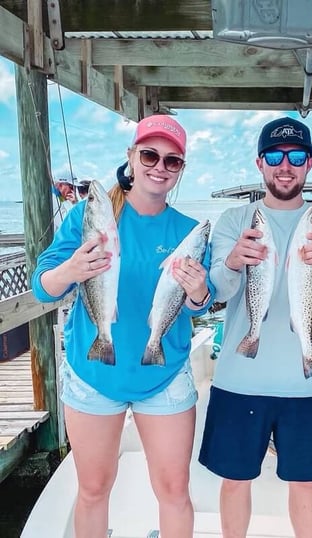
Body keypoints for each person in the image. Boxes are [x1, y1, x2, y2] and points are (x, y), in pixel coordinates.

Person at [32, 114, 215, 538]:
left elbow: (196, 306)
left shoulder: (189, 232)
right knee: (93, 490)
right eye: (150, 155)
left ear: (181, 170)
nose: (159, 167)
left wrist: (198, 291)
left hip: (164, 375)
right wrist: (72, 270)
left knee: (175, 491)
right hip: (93, 374)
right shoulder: (89, 216)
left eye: (172, 161)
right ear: (131, 156)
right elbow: (43, 288)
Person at [199, 117, 312, 538]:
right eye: (275, 156)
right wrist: (233, 261)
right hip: (239, 378)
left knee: (306, 482)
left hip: (306, 383)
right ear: (260, 163)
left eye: (297, 156)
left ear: (310, 163)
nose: (286, 166)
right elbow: (219, 290)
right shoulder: (235, 220)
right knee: (235, 480)